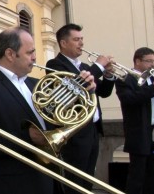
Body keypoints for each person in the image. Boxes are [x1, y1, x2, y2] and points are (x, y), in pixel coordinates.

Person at [0, 27, 96, 194]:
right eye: (30, 52)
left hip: (51, 179)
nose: (35, 57)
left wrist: (83, 92)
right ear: (10, 54)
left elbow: (58, 117)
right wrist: (27, 137)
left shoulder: (36, 84)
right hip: (15, 184)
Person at [45, 23, 115, 193]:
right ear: (63, 43)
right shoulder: (55, 64)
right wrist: (98, 66)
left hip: (93, 130)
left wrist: (108, 75)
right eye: (76, 39)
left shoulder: (84, 67)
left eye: (82, 39)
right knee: (74, 180)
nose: (81, 43)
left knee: (88, 177)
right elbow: (74, 87)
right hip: (75, 134)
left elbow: (103, 93)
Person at [115, 47, 154, 194]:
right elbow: (130, 100)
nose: (153, 65)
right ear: (137, 61)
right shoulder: (125, 79)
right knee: (137, 178)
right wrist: (153, 88)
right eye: (149, 61)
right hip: (139, 133)